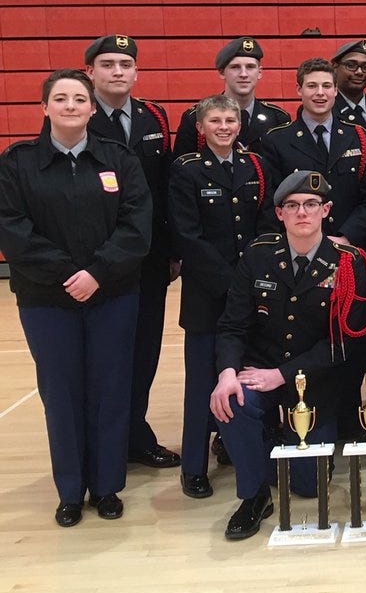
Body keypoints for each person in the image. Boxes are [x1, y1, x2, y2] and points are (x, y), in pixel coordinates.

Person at [0, 69, 152, 526]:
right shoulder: (18, 163)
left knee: (110, 389)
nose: (71, 106)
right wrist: (70, 274)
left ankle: (107, 487)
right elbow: (13, 229)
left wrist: (98, 272)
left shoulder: (118, 159)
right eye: (61, 98)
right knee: (61, 393)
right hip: (46, 300)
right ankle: (70, 490)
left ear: (90, 108)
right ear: (44, 107)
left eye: (79, 99)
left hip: (112, 295)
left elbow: (136, 225)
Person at [210, 171, 366, 541]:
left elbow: (345, 343)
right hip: (259, 370)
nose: (302, 212)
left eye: (311, 204)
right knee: (232, 399)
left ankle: (272, 445)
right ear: (280, 213)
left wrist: (282, 374)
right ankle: (254, 496)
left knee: (308, 486)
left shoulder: (348, 262)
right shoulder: (258, 255)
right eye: (293, 205)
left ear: (326, 210)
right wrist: (227, 373)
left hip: (315, 382)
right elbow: (233, 325)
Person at [168, 94, 275, 499]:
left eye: (230, 120)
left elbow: (266, 223)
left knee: (248, 376)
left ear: (240, 124)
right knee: (201, 384)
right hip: (207, 295)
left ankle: (243, 449)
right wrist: (231, 283)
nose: (224, 127)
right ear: (200, 127)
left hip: (251, 289)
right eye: (215, 121)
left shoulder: (255, 166)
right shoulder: (187, 170)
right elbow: (187, 235)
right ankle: (193, 467)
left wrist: (251, 277)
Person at [84, 34, 181, 470]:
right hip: (101, 260)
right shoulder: (79, 115)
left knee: (144, 353)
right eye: (108, 64)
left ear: (137, 72)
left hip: (150, 258)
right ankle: (104, 444)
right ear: (90, 72)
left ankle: (135, 436)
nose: (118, 71)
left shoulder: (153, 116)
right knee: (106, 358)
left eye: (125, 64)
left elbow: (165, 187)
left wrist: (173, 250)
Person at [259, 58, 366, 250]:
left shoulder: (358, 136)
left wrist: (346, 237)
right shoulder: (277, 141)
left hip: (351, 247)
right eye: (312, 86)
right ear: (299, 89)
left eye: (326, 86)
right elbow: (273, 204)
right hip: (298, 248)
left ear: (335, 90)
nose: (320, 93)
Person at [172, 36, 289, 158]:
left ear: (259, 72)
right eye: (235, 67)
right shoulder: (196, 116)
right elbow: (182, 165)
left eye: (250, 67)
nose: (243, 74)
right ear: (222, 72)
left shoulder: (278, 118)